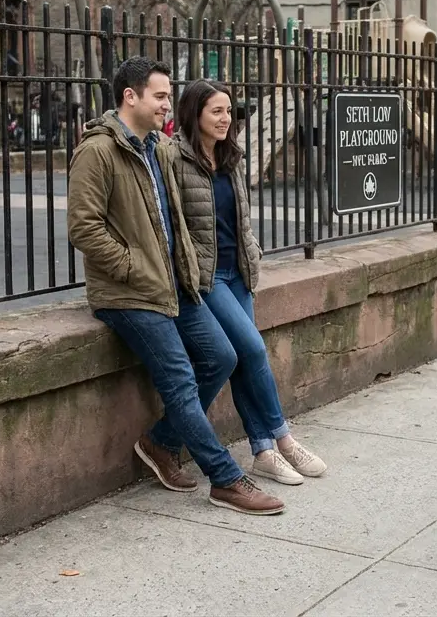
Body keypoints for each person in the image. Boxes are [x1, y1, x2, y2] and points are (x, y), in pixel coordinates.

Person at [67, 56, 284, 516]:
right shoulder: (98, 151)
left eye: (169, 96)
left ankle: (160, 443)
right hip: (128, 293)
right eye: (161, 96)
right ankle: (225, 479)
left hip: (171, 284)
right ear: (131, 96)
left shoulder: (158, 150)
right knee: (182, 381)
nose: (169, 104)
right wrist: (132, 266)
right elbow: (84, 228)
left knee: (223, 356)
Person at [160, 79, 327, 485]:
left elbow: (242, 219)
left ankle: (263, 451)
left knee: (246, 360)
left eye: (229, 111)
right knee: (251, 349)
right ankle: (284, 438)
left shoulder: (232, 156)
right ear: (194, 112)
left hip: (239, 271)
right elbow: (173, 222)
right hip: (207, 274)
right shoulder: (173, 157)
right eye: (216, 111)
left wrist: (252, 253)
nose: (226, 118)